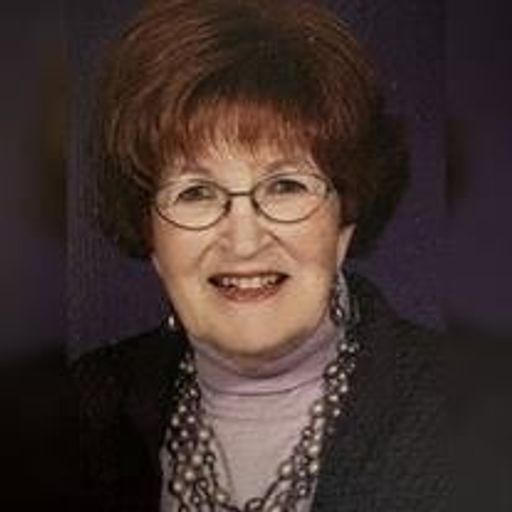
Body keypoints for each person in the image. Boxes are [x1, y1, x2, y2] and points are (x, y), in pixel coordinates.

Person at [72, 1, 447, 511]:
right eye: (196, 193)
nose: (244, 242)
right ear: (151, 234)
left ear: (344, 220)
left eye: (285, 186)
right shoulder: (79, 411)